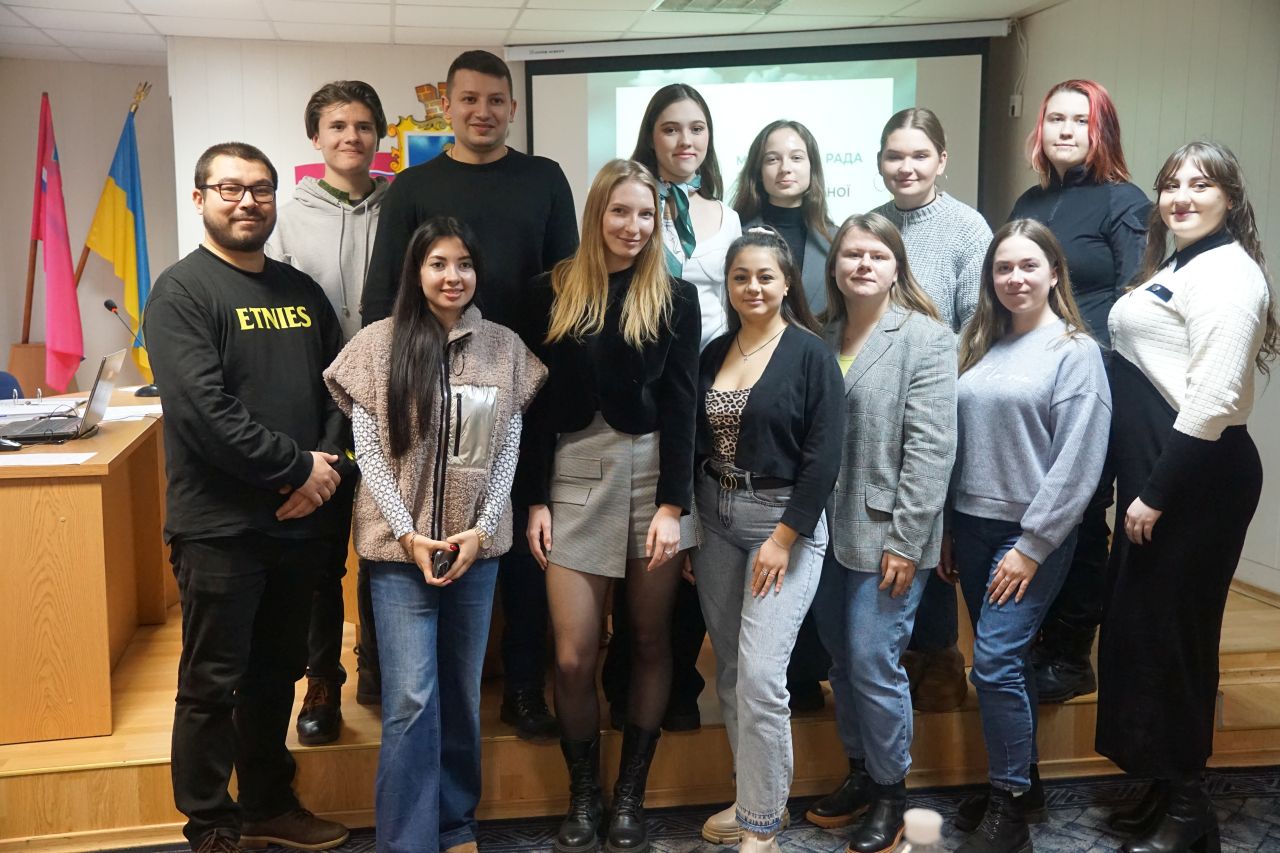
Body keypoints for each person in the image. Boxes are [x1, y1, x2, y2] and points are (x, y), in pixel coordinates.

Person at [363, 49, 579, 742]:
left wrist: (552, 381)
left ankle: (523, 684)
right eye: (469, 99)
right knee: (418, 521)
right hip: (426, 390)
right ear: (448, 107)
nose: (482, 112)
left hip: (520, 381)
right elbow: (382, 297)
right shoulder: (413, 186)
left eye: (495, 100)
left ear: (512, 108)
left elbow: (569, 286)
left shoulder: (544, 178)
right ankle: (390, 673)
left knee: (514, 530)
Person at [144, 142, 352, 853]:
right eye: (230, 188)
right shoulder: (181, 292)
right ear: (200, 198)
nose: (247, 202)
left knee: (275, 675)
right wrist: (297, 469)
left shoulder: (301, 291)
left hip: (298, 523)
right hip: (220, 526)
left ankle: (267, 803)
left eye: (260, 189)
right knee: (213, 683)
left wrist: (325, 470)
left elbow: (340, 390)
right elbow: (203, 412)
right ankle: (209, 823)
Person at [325, 217, 545, 853]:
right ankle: (406, 840)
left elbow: (507, 450)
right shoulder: (376, 346)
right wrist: (407, 533)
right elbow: (369, 452)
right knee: (411, 700)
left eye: (464, 264)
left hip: (477, 551)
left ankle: (454, 825)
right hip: (400, 555)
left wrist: (482, 528)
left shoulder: (504, 348)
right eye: (438, 264)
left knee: (461, 692)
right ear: (416, 271)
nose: (453, 277)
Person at [1096, 141, 1276, 853]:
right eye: (1172, 184)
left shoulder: (1230, 274)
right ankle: (1164, 781)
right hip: (1159, 477)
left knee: (1175, 640)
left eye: (1201, 185)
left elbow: (1214, 395)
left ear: (1230, 197)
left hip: (1195, 482)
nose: (1182, 197)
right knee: (1144, 634)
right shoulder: (1181, 264)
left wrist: (1155, 493)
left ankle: (1191, 811)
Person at [517, 158, 700, 853]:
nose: (633, 225)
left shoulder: (675, 297)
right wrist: (534, 497)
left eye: (646, 214)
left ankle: (629, 796)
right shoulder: (551, 291)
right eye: (620, 211)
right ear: (597, 214)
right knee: (572, 656)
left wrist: (674, 504)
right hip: (572, 475)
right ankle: (584, 794)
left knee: (650, 639)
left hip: (653, 479)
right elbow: (531, 406)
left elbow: (683, 404)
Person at [947, 219, 1111, 853]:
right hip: (971, 526)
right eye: (1003, 268)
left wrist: (1032, 545)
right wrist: (947, 528)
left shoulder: (1075, 351)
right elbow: (957, 443)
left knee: (993, 662)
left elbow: (1079, 461)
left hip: (1029, 534)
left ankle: (1010, 807)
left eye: (1028, 265)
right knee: (1004, 662)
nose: (1014, 278)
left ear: (1054, 273)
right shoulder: (978, 343)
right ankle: (1024, 783)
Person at [806, 213, 957, 853]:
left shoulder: (927, 339)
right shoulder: (817, 334)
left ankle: (892, 794)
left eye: (876, 255)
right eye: (851, 255)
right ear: (835, 266)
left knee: (873, 661)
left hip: (889, 534)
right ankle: (860, 773)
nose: (863, 265)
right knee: (841, 661)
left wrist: (906, 539)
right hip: (820, 533)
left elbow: (931, 448)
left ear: (897, 267)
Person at [693, 227, 842, 851]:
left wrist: (784, 537)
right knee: (731, 671)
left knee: (760, 676)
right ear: (727, 285)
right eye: (740, 277)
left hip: (782, 524)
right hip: (715, 520)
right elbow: (697, 444)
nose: (752, 287)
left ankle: (761, 827)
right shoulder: (713, 352)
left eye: (765, 276)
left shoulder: (810, 354)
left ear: (787, 283)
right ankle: (751, 797)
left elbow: (824, 456)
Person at [601, 83, 743, 735]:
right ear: (650, 137)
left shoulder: (727, 216)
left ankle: (681, 679)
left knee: (689, 535)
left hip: (714, 389)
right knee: (639, 545)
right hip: (645, 390)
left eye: (697, 128)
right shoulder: (631, 206)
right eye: (670, 128)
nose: (686, 141)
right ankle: (623, 679)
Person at [1010, 79, 1151, 704]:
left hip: (1097, 381)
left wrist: (1088, 361)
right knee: (1038, 512)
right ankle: (1037, 641)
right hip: (1029, 381)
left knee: (1082, 515)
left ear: (1102, 131)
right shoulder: (1030, 201)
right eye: (1055, 119)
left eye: (1080, 120)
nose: (1064, 130)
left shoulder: (1125, 200)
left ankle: (1071, 654)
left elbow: (1137, 297)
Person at [266, 79, 390, 746]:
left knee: (386, 545)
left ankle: (378, 664)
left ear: (379, 136)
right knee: (321, 556)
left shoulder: (402, 208)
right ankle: (321, 681)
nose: (351, 137)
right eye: (338, 125)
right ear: (316, 137)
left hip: (392, 406)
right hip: (317, 412)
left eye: (364, 125)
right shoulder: (286, 219)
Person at [872, 107, 991, 714]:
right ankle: (902, 651)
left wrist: (935, 385)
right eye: (895, 156)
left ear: (942, 160)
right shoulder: (871, 224)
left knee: (934, 521)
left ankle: (940, 651)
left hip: (941, 397)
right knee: (889, 521)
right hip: (876, 401)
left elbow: (978, 323)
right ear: (879, 162)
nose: (907, 167)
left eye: (920, 155)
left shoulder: (968, 228)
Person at [731, 119, 835, 313]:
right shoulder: (735, 233)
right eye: (772, 159)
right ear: (758, 171)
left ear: (812, 167)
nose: (785, 168)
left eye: (796, 158)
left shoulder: (835, 240)